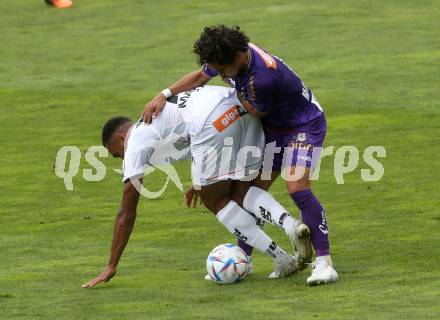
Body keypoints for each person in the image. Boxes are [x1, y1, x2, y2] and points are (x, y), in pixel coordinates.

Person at [142, 25, 337, 285]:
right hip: (274, 128)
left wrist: (232, 90)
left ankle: (324, 264)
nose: (220, 74)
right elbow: (201, 76)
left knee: (297, 188)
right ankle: (242, 259)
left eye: (223, 70)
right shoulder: (230, 56)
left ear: (238, 56)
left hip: (302, 126)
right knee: (248, 193)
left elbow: (254, 111)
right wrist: (164, 94)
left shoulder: (262, 77)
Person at [82, 85, 311, 288]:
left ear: (122, 138)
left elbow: (126, 212)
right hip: (240, 109)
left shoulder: (135, 142)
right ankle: (291, 225)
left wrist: (111, 265)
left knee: (215, 200)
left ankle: (282, 259)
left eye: (116, 154)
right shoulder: (159, 123)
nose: (122, 160)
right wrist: (201, 183)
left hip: (212, 122)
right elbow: (193, 138)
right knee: (239, 191)